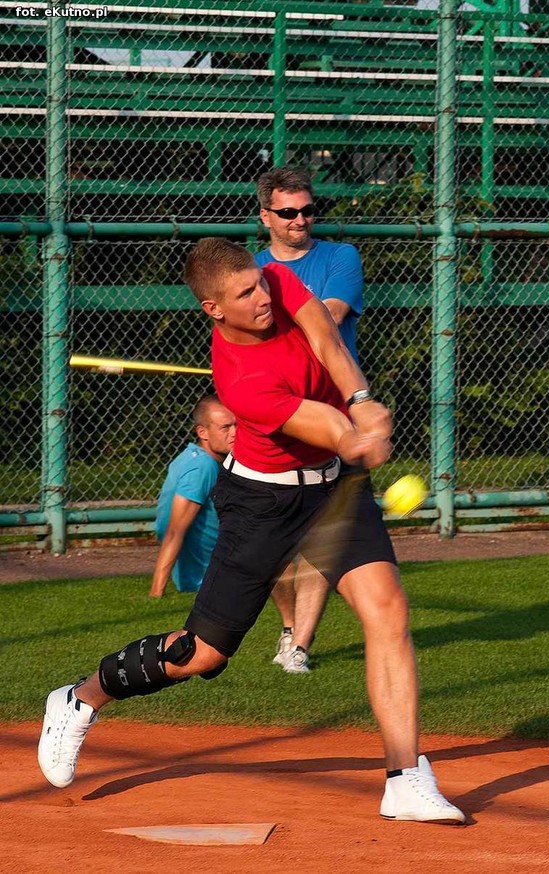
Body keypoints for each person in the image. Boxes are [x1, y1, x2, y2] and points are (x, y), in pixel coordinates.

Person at [37, 238, 465, 825]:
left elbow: (328, 343)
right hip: (263, 503)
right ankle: (80, 699)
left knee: (386, 608)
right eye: (244, 293)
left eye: (259, 283)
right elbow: (324, 425)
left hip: (333, 490)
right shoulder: (238, 381)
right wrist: (355, 433)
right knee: (201, 654)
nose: (262, 295)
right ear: (214, 308)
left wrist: (363, 399)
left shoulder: (276, 282)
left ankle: (406, 778)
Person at [255, 166, 364, 673]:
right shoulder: (249, 271)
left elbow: (331, 315)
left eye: (307, 210)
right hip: (275, 417)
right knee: (269, 546)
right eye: (288, 212)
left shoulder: (341, 257)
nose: (300, 220)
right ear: (266, 216)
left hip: (335, 416)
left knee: (324, 532)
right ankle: (286, 625)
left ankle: (299, 643)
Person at [148, 396, 236, 599]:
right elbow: (173, 531)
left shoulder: (192, 458)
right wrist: (156, 593)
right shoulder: (202, 467)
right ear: (202, 432)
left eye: (237, 425)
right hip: (207, 580)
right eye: (225, 428)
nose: (235, 433)